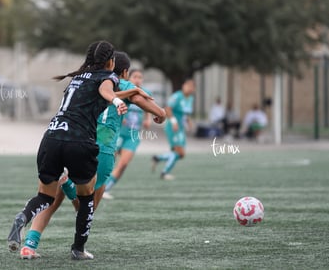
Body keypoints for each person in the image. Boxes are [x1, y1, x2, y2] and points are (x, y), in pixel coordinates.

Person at [14, 51, 166, 260]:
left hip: (71, 141)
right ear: (125, 72)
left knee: (50, 199)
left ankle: (30, 244)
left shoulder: (89, 80)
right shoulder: (124, 85)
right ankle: (77, 245)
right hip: (100, 151)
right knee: (86, 206)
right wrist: (161, 113)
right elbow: (140, 98)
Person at [7, 40, 129, 261]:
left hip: (51, 137)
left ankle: (23, 218)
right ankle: (78, 249)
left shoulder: (77, 77)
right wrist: (117, 100)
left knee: (45, 196)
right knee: (86, 200)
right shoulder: (110, 77)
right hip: (82, 143)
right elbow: (106, 89)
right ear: (111, 62)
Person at [103, 69, 152, 200]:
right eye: (135, 76)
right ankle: (98, 186)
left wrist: (147, 119)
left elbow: (148, 108)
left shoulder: (145, 93)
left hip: (132, 136)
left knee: (123, 164)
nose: (138, 79)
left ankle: (106, 188)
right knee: (107, 161)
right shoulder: (124, 92)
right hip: (118, 133)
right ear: (129, 78)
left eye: (140, 77)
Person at [152, 79, 196, 180]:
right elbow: (167, 108)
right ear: (183, 85)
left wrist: (189, 122)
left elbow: (186, 113)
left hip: (180, 128)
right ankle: (164, 172)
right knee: (179, 152)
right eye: (187, 85)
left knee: (181, 154)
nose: (188, 88)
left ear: (194, 89)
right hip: (173, 127)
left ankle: (158, 158)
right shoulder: (177, 96)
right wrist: (173, 121)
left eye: (191, 86)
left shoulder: (190, 99)